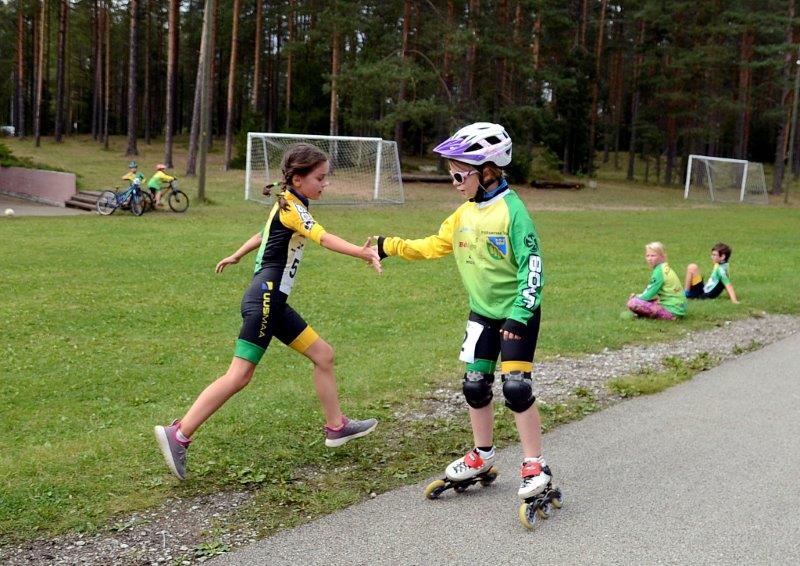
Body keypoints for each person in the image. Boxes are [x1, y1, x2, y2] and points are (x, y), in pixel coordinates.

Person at [155, 143, 381, 481]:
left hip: (272, 301)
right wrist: (361, 253)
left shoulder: (288, 203)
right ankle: (179, 433)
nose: (326, 183)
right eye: (320, 178)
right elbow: (322, 238)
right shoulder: (292, 207)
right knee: (239, 375)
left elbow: (264, 233)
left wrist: (237, 254)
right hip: (266, 299)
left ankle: (336, 426)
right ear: (298, 179)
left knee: (323, 355)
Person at [374, 122, 554, 500]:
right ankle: (482, 455)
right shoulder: (463, 215)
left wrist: (520, 313)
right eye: (451, 173)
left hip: (517, 314)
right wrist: (388, 245)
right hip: (482, 314)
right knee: (474, 385)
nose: (454, 181)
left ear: (487, 172)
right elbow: (433, 245)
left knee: (516, 388)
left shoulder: (512, 211)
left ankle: (534, 464)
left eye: (459, 174)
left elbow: (533, 267)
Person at [627, 242, 687, 320]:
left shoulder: (659, 272)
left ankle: (670, 316)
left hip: (673, 310)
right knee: (652, 301)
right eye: (647, 256)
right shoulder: (665, 268)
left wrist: (636, 297)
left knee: (633, 302)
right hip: (679, 308)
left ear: (662, 257)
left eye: (653, 255)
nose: (649, 258)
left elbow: (649, 293)